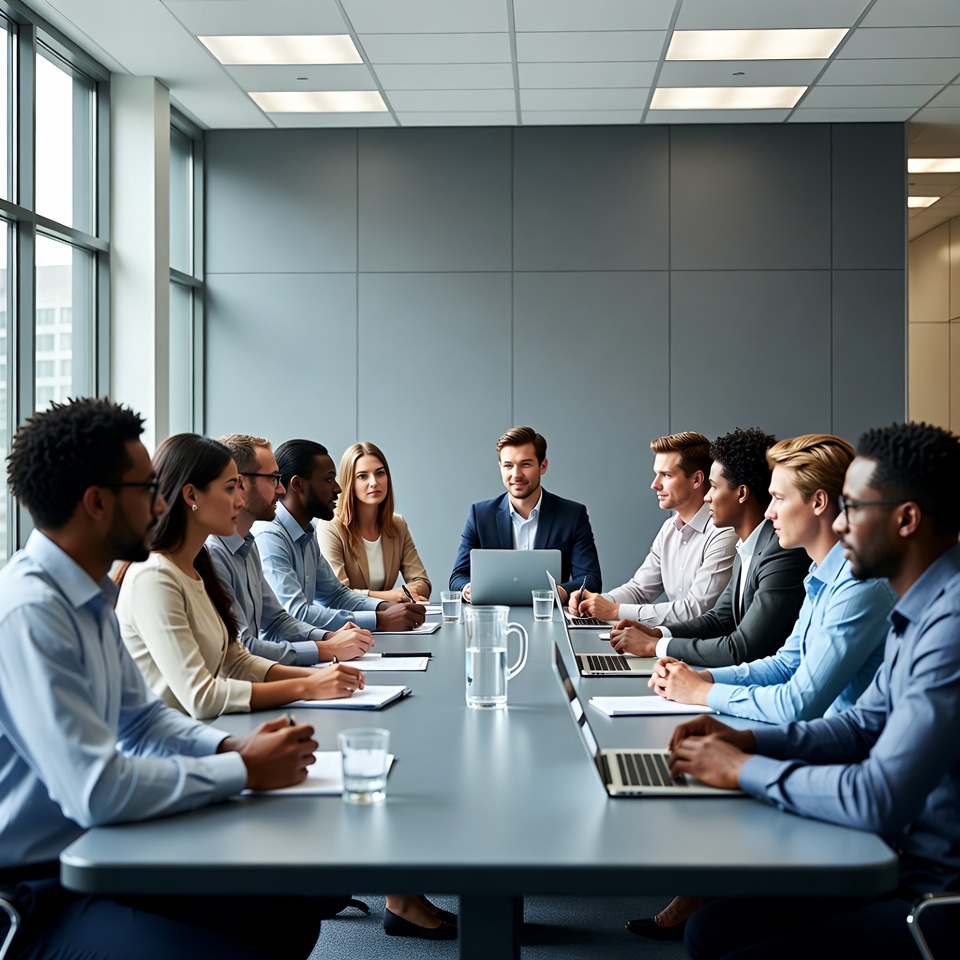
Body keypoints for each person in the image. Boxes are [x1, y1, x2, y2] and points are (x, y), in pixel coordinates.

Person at [0, 397, 335, 960]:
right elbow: (97, 791)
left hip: (106, 850)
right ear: (97, 503)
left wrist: (233, 745)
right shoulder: (30, 612)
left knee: (288, 918)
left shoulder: (87, 592)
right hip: (40, 892)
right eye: (145, 490)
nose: (160, 503)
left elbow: (143, 718)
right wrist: (241, 768)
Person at [669, 422, 960, 960]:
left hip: (933, 897)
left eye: (854, 509)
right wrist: (749, 744)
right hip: (896, 857)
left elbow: (878, 797)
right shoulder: (918, 604)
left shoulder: (949, 624)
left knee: (725, 943)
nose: (841, 525)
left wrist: (740, 770)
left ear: (906, 520)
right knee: (711, 930)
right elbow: (861, 723)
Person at [630, 434, 897, 941]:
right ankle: (707, 885)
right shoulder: (823, 575)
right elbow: (783, 664)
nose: (769, 512)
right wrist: (704, 679)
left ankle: (713, 884)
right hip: (830, 750)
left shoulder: (859, 585)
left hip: (843, 765)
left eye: (778, 498)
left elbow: (801, 700)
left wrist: (703, 693)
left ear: (818, 503)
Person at [116, 434, 365, 719]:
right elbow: (201, 697)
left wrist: (318, 677)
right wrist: (307, 686)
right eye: (230, 488)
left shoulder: (198, 568)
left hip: (205, 733)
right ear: (191, 496)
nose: (239, 500)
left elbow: (236, 661)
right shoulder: (155, 577)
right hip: (173, 748)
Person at [610, 427, 809, 666]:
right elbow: (718, 619)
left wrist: (654, 646)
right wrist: (658, 633)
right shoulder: (748, 546)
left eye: (714, 487)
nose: (707, 496)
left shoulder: (779, 551)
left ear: (742, 493)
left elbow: (741, 648)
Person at [209, 434, 374, 665]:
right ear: (241, 484)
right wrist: (324, 649)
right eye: (274, 479)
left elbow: (277, 621)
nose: (280, 489)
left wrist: (329, 637)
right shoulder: (214, 554)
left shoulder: (249, 545)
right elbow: (242, 648)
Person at [254, 439, 426, 633]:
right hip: (281, 657)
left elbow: (335, 595)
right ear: (298, 485)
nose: (338, 488)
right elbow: (296, 613)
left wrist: (387, 608)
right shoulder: (269, 536)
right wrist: (380, 620)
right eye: (328, 479)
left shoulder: (306, 534)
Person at [569, 431, 736, 625]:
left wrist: (615, 611)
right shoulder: (669, 529)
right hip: (672, 641)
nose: (654, 485)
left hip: (698, 650)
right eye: (657, 474)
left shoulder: (723, 532)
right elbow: (639, 590)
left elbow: (696, 610)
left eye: (666, 475)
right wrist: (595, 602)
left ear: (697, 480)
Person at [449, 425, 601, 601]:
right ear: (500, 467)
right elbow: (457, 577)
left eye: (525, 464)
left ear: (542, 466)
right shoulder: (480, 515)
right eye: (508, 466)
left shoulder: (572, 515)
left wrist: (560, 593)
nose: (516, 474)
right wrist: (469, 589)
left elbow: (590, 580)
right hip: (494, 617)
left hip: (549, 617)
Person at [318, 441, 432, 602]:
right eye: (362, 476)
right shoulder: (331, 527)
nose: (374, 482)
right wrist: (391, 597)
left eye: (380, 473)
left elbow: (422, 582)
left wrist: (404, 594)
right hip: (350, 624)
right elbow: (337, 594)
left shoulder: (397, 524)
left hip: (391, 621)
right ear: (349, 482)